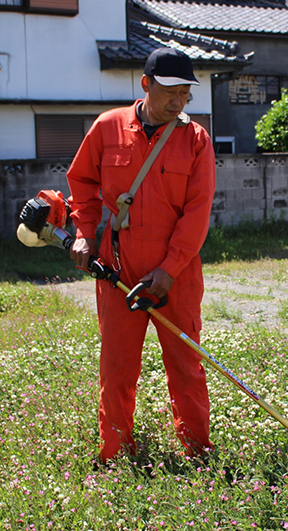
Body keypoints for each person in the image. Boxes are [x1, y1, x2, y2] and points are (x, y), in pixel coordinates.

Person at [67, 47, 216, 464]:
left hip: (177, 273)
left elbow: (197, 211)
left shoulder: (196, 139)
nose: (178, 101)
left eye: (185, 93)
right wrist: (82, 233)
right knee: (117, 369)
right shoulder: (107, 127)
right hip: (118, 269)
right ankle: (114, 455)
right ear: (146, 84)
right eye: (170, 91)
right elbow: (81, 182)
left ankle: (197, 453)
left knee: (187, 366)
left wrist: (169, 269)